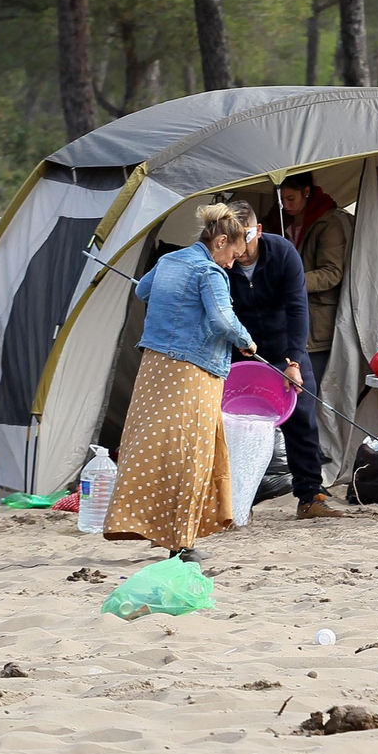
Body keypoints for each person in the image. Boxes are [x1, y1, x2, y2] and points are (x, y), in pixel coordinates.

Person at [104, 204, 257, 562]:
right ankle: (181, 542)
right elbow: (222, 320)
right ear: (221, 241)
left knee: (156, 449)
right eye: (234, 255)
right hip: (192, 372)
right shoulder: (209, 272)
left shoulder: (170, 260)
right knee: (191, 454)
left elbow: (144, 291)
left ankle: (158, 529)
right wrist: (246, 340)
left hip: (154, 367)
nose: (232, 264)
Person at [227, 200, 344, 519]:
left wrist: (294, 361)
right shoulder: (221, 260)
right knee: (237, 423)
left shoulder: (282, 253)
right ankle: (237, 501)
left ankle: (310, 495)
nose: (240, 249)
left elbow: (297, 307)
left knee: (302, 419)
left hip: (285, 347)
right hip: (240, 349)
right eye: (233, 239)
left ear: (257, 230)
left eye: (245, 237)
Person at [276, 172, 351, 388]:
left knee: (309, 388)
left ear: (306, 192)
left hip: (316, 322)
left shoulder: (328, 223)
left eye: (291, 199)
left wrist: (293, 283)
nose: (286, 205)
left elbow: (332, 272)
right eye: (282, 199)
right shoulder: (279, 220)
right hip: (288, 319)